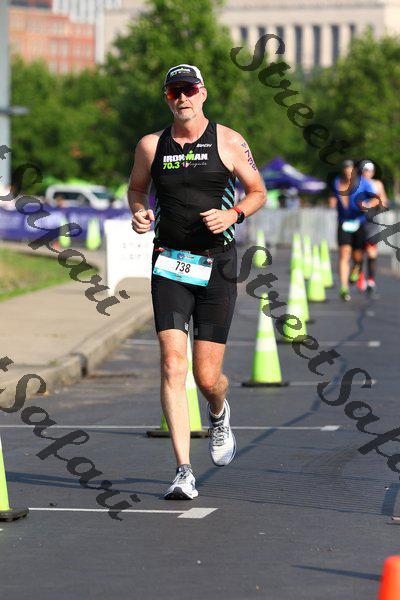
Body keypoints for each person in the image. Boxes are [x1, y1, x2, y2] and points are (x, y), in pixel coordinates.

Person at [128, 64, 266, 500]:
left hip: (217, 266)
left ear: (203, 93)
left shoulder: (229, 141)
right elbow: (136, 189)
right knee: (173, 363)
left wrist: (233, 214)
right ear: (167, 98)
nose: (182, 98)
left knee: (207, 377)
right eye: (174, 92)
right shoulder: (151, 145)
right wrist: (139, 212)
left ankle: (219, 411)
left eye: (188, 89)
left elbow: (258, 191)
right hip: (169, 263)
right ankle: (183, 470)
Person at [329, 159, 377, 301]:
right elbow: (333, 196)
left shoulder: (363, 183)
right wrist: (332, 200)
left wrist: (367, 205)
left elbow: (376, 199)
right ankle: (344, 288)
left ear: (354, 170)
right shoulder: (337, 182)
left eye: (350, 169)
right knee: (344, 254)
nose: (348, 172)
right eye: (345, 169)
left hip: (359, 222)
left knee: (357, 257)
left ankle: (356, 269)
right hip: (343, 222)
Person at [356, 161, 388, 294]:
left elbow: (384, 201)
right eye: (365, 170)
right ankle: (359, 276)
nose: (367, 173)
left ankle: (370, 280)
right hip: (357, 220)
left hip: (371, 220)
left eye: (369, 170)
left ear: (373, 172)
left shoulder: (377, 184)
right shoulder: (356, 183)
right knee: (358, 252)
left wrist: (371, 204)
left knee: (371, 251)